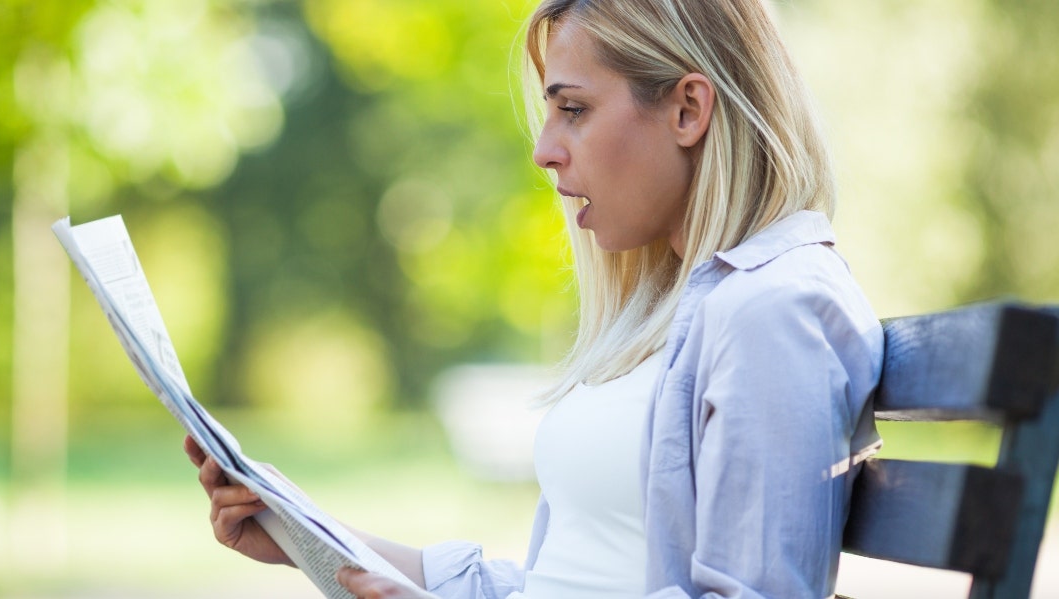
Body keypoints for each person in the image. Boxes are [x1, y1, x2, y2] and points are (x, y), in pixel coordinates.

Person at [186, 0, 885, 597]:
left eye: (574, 109)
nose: (544, 150)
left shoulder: (776, 310)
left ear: (688, 108)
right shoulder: (673, 309)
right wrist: (311, 536)